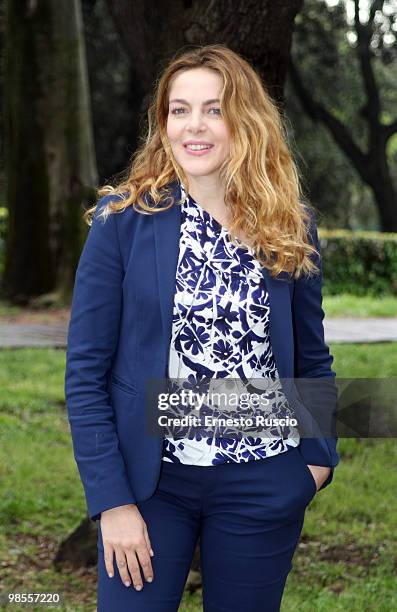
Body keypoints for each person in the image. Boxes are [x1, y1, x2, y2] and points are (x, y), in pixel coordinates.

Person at [64, 44, 339, 612]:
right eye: (179, 109)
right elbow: (86, 374)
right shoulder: (122, 221)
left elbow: (311, 360)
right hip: (151, 483)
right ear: (162, 123)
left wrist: (314, 463)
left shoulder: (289, 226)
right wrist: (112, 502)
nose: (195, 126)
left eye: (214, 109)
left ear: (245, 121)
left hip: (263, 481)